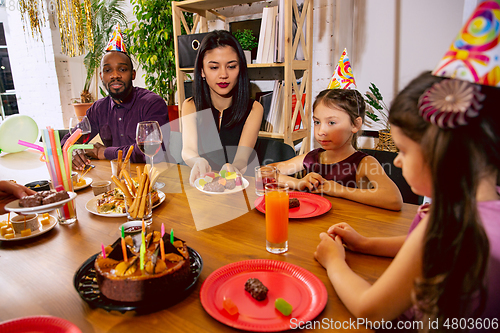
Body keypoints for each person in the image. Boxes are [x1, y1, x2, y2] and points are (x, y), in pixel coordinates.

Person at [314, 71, 500, 329]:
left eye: (403, 150)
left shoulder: (450, 228)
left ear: (443, 152)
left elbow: (370, 310)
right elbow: (417, 245)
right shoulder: (479, 210)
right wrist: (367, 243)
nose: (398, 161)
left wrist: (334, 262)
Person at [269, 89, 403, 211]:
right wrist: (299, 183)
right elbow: (265, 172)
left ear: (355, 124)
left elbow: (394, 199)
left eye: (331, 123)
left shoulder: (365, 163)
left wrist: (340, 190)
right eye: (317, 122)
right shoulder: (310, 158)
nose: (321, 131)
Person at [62, 25, 170, 170]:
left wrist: (103, 152)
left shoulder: (152, 103)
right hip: (117, 178)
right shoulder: (98, 109)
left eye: (122, 69)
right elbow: (67, 142)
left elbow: (152, 152)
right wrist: (73, 152)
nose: (115, 75)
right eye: (107, 70)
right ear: (101, 76)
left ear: (133, 74)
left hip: (156, 177)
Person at [181, 30, 263, 184]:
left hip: (239, 189)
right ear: (202, 71)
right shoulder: (190, 105)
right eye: (214, 67)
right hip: (202, 186)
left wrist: (232, 168)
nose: (223, 74)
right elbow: (188, 150)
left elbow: (242, 160)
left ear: (240, 69)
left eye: (231, 67)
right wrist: (197, 161)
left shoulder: (254, 108)